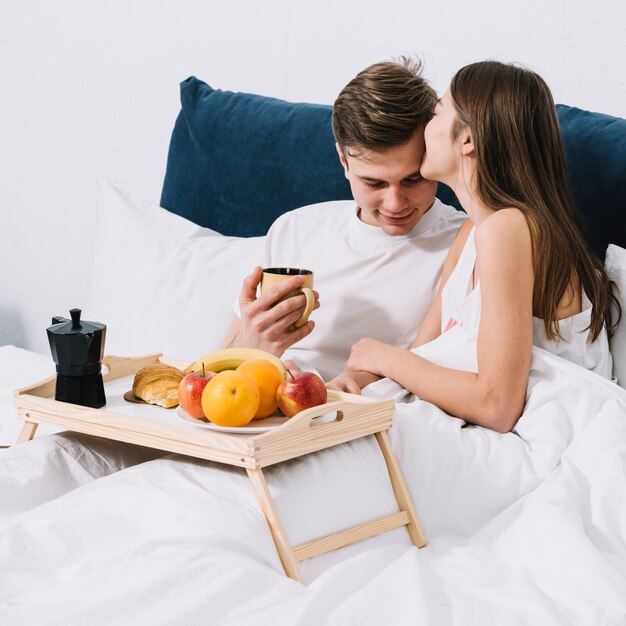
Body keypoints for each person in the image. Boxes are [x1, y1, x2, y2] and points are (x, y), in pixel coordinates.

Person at [329, 61, 621, 433]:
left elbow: (497, 406)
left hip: (535, 440)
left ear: (466, 139)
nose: (424, 130)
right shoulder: (475, 232)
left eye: (435, 113)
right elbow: (421, 359)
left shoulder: (507, 230)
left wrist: (383, 356)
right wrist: (359, 379)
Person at [224, 58, 466, 381]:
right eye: (374, 183)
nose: (395, 203)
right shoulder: (293, 230)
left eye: (413, 179)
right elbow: (218, 369)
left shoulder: (466, 243)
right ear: (343, 160)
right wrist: (251, 346)